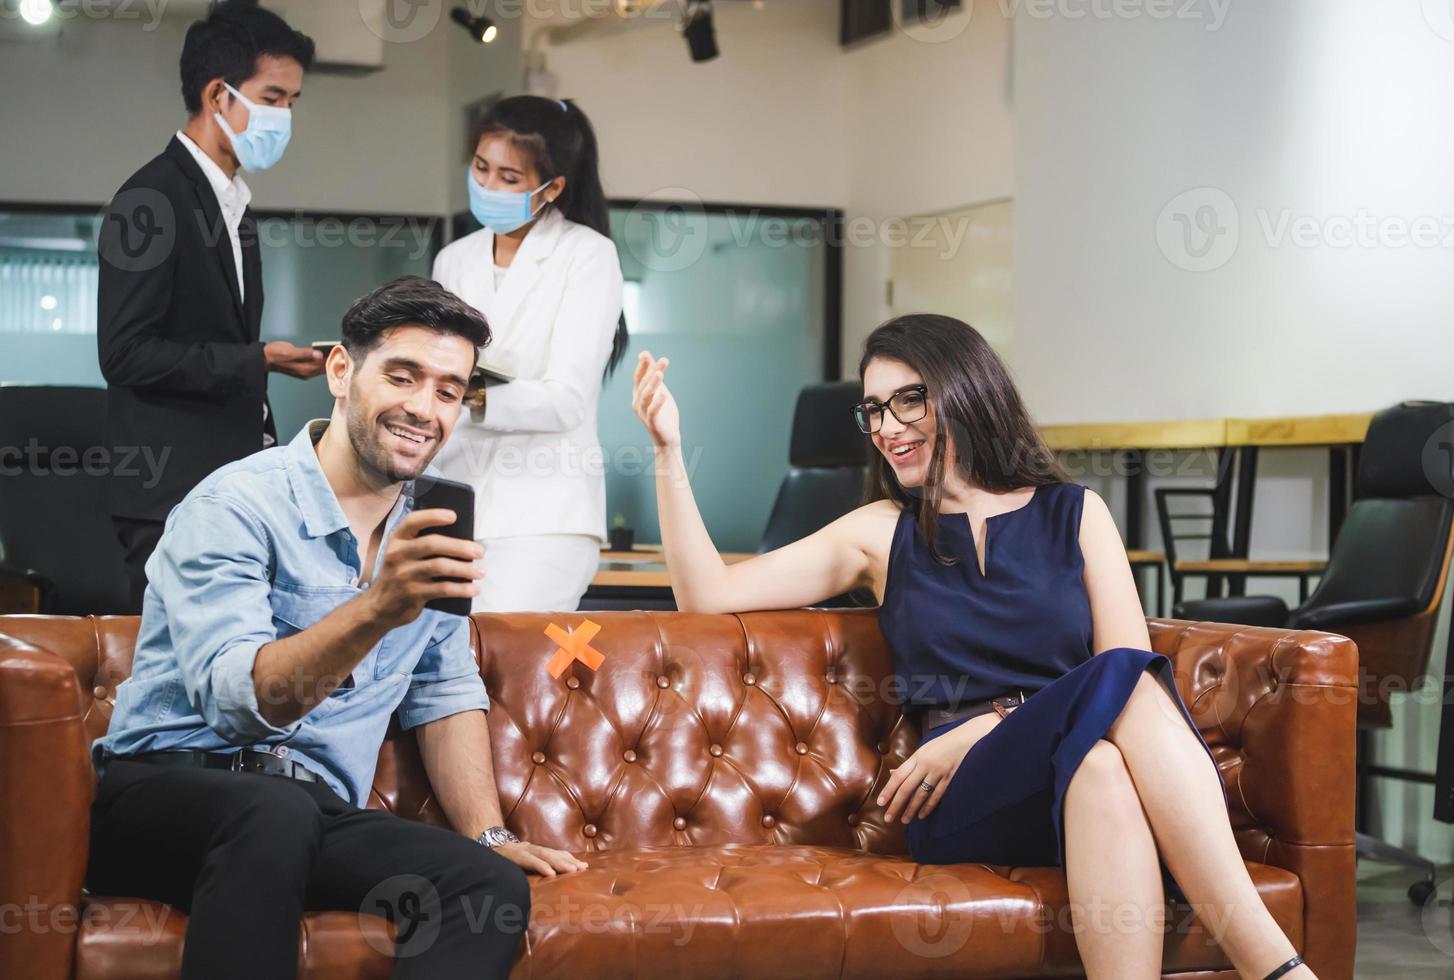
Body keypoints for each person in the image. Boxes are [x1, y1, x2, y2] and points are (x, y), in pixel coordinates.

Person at [628, 315, 1313, 980]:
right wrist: (666, 452)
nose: (888, 427)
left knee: (1103, 762)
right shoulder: (879, 531)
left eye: (908, 400)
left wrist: (995, 718)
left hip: (1075, 782)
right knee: (1114, 716)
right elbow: (708, 594)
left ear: (966, 392)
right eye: (874, 409)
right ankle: (1275, 966)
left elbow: (1130, 677)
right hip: (960, 798)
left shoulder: (1076, 513)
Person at [88, 277, 586, 980]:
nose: (425, 408)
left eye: (449, 390)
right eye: (404, 376)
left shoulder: (428, 531)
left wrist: (488, 833)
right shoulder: (234, 505)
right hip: (164, 790)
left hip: (305, 811)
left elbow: (443, 690)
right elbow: (241, 703)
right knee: (272, 815)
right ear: (342, 371)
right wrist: (379, 606)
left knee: (484, 886)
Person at [98, 0, 327, 613]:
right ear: (218, 95)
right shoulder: (151, 198)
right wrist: (259, 360)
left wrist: (264, 364)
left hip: (228, 486)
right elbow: (125, 354)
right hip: (168, 492)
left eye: (291, 103)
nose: (284, 117)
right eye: (273, 98)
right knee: (168, 686)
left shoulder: (234, 205)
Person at [431, 95, 626, 613]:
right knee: (442, 679)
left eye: (509, 177)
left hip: (544, 516)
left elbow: (566, 401)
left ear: (552, 187)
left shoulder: (586, 255)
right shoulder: (454, 259)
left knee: (503, 673)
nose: (488, 186)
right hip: (456, 499)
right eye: (480, 168)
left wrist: (467, 393)